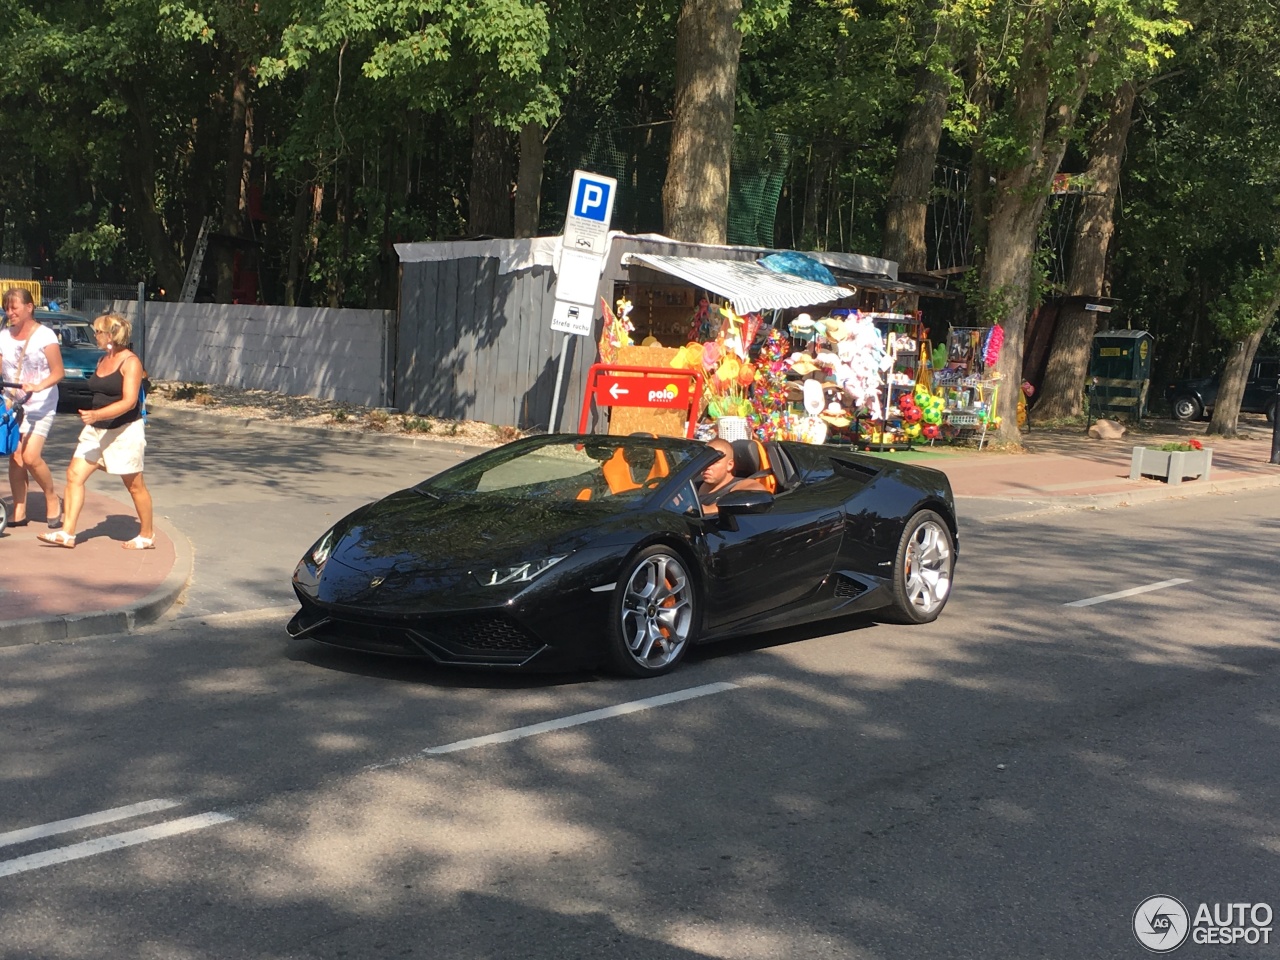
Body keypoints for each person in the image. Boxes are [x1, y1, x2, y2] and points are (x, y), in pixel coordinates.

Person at [38, 313, 153, 550]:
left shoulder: (130, 362)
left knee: (134, 484)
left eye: (98, 332)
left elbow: (130, 402)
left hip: (123, 430)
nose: (95, 336)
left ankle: (147, 535)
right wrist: (95, 418)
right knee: (74, 475)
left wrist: (97, 414)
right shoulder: (102, 359)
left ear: (110, 335)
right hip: (95, 431)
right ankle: (67, 533)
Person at [0, 287, 64, 528]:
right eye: (7, 308)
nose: (10, 312)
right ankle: (19, 510)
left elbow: (59, 372)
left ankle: (50, 496)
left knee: (30, 456)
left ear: (29, 307)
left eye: (14, 307)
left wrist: (39, 385)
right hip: (12, 402)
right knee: (16, 456)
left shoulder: (45, 335)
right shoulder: (3, 335)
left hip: (41, 402)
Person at [695, 438, 766, 515]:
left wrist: (706, 510)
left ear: (729, 465)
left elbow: (757, 492)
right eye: (704, 461)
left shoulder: (740, 485)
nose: (707, 466)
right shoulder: (692, 483)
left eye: (714, 462)